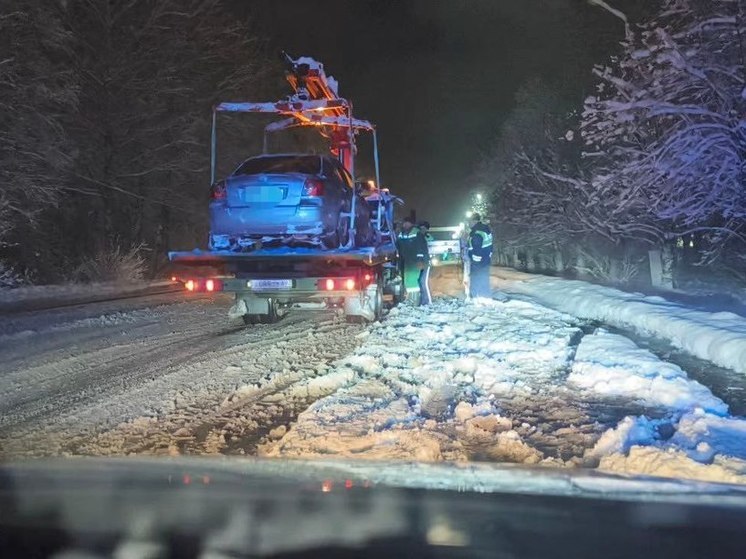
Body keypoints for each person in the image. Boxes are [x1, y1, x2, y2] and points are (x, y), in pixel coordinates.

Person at [397, 217, 431, 306]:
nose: (404, 225)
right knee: (409, 281)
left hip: (416, 262)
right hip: (408, 262)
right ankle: (413, 300)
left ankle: (416, 301)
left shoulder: (417, 233)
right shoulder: (402, 234)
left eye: (406, 223)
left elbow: (421, 248)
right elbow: (399, 247)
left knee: (413, 281)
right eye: (404, 223)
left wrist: (420, 260)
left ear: (410, 224)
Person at [467, 213, 493, 299]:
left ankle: (476, 297)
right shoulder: (484, 229)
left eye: (469, 221)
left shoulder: (477, 232)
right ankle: (484, 296)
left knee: (477, 279)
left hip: (478, 261)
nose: (468, 223)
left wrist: (475, 259)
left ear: (474, 221)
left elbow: (476, 247)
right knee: (483, 279)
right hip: (485, 259)